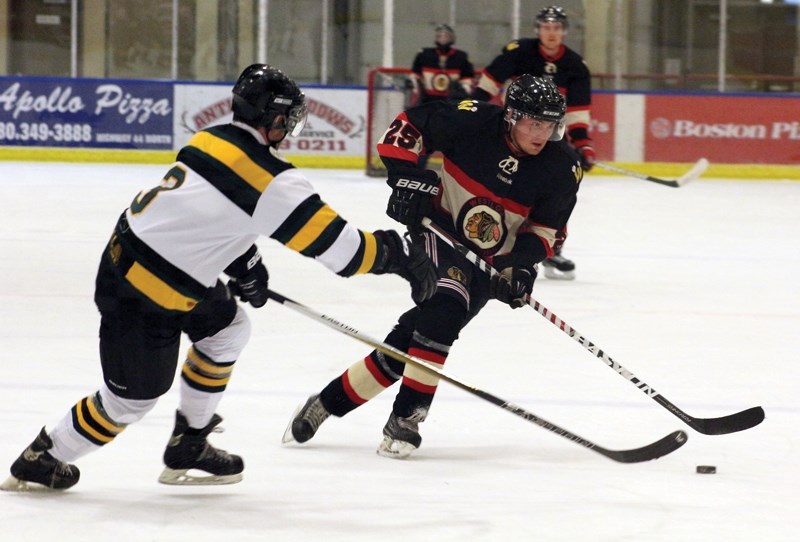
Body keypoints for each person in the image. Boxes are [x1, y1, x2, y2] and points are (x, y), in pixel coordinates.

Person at [1, 64, 437, 491]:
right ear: (277, 119)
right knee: (129, 402)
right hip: (142, 293)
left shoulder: (211, 139)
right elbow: (346, 253)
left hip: (139, 261)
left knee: (228, 329)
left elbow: (201, 212)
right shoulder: (273, 181)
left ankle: (189, 443)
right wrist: (403, 255)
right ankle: (44, 456)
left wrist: (243, 261)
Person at [283, 75, 583, 459]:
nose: (543, 134)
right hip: (437, 232)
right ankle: (406, 418)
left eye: (551, 125)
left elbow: (546, 230)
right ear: (511, 116)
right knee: (446, 307)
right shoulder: (471, 120)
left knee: (412, 343)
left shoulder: (562, 166)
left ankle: (327, 402)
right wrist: (406, 179)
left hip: (488, 265)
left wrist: (520, 267)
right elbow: (405, 128)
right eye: (534, 123)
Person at [473, 5, 593, 281]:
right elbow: (489, 83)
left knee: (559, 188)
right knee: (500, 185)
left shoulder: (575, 65)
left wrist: (583, 144)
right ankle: (486, 238)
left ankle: (550, 249)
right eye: (546, 28)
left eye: (556, 28)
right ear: (538, 29)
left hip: (548, 136)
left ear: (563, 31)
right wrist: (474, 116)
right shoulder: (519, 52)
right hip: (512, 132)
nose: (551, 34)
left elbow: (577, 112)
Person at [408, 23, 475, 106]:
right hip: (427, 100)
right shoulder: (424, 55)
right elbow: (415, 75)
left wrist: (464, 89)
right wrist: (415, 86)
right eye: (440, 36)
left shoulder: (461, 57)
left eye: (446, 36)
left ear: (452, 38)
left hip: (452, 101)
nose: (443, 39)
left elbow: (467, 79)